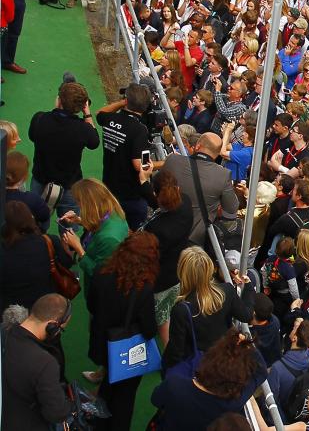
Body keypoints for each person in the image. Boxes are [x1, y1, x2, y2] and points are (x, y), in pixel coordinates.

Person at [86, 232, 159, 430]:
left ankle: (98, 424)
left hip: (103, 346)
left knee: (106, 392)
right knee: (124, 403)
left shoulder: (101, 273)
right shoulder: (143, 288)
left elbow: (91, 305)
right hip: (128, 355)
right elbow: (149, 329)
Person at [151, 328, 268, 431]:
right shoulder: (232, 404)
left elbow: (155, 399)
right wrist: (247, 346)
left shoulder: (175, 385)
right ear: (238, 378)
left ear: (211, 358)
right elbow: (262, 370)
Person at [162, 246, 255, 370]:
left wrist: (167, 370)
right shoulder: (227, 291)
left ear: (182, 272)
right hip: (223, 357)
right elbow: (247, 315)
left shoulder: (182, 309)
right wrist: (248, 286)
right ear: (209, 268)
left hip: (199, 365)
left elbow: (176, 350)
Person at [29, 80, 100, 223]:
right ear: (82, 106)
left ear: (59, 100)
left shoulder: (40, 118)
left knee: (34, 222)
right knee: (69, 225)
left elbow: (32, 136)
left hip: (40, 179)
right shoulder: (83, 130)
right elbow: (94, 142)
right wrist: (87, 114)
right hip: (69, 185)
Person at [0, 293, 74, 431]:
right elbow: (56, 413)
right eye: (61, 329)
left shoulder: (4, 332)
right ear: (52, 326)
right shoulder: (45, 363)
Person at [138, 168, 194, 345]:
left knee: (162, 319)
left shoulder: (157, 230)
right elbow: (163, 204)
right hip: (176, 273)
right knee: (168, 311)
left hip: (159, 280)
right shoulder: (185, 203)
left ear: (157, 195)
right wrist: (144, 183)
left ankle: (171, 355)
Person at [164, 131, 239, 246]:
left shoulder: (172, 160)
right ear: (218, 153)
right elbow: (231, 209)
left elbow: (157, 189)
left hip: (166, 228)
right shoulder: (223, 175)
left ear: (197, 146)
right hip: (193, 238)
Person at [59, 177, 129, 296]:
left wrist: (79, 249)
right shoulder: (112, 211)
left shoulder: (109, 238)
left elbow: (101, 274)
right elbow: (100, 224)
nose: (78, 206)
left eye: (79, 202)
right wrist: (79, 220)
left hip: (103, 294)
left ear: (89, 204)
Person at [96, 82, 152, 229]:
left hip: (109, 186)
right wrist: (164, 162)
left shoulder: (110, 119)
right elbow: (141, 165)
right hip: (131, 195)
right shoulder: (140, 130)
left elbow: (99, 113)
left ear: (126, 101)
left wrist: (122, 103)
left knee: (105, 227)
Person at [0, 201, 73, 312]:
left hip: (9, 310)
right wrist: (66, 247)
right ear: (30, 218)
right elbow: (67, 263)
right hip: (43, 306)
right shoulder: (49, 241)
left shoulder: (4, 249)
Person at [268, 318, 309, 416]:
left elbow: (270, 403)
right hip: (304, 415)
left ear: (294, 338)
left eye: (294, 328)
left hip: (282, 419)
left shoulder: (278, 368)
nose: (293, 329)